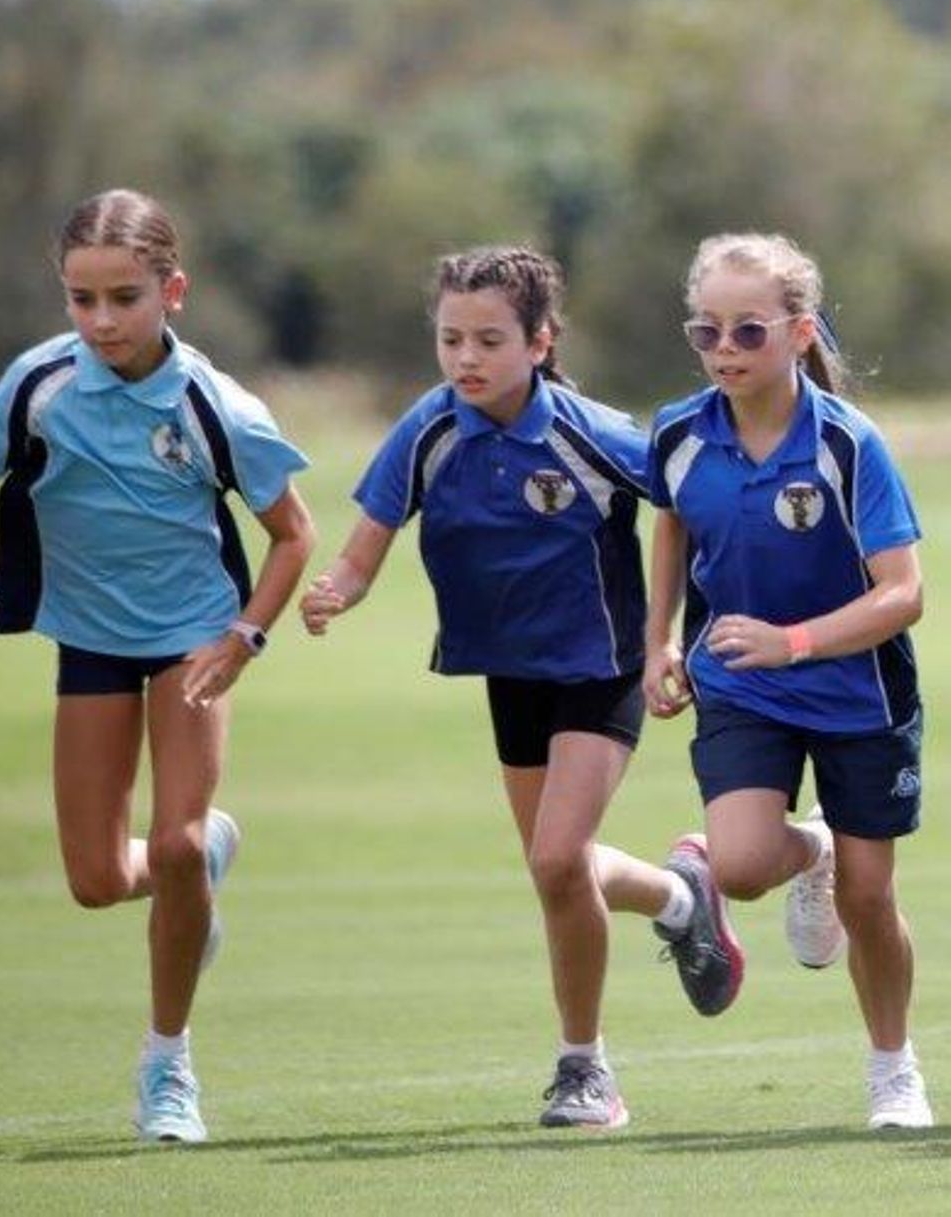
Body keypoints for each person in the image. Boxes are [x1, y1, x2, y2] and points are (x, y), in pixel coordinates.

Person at [298, 246, 768, 1131]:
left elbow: (690, 498)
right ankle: (680, 897)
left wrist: (674, 633)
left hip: (601, 668)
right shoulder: (430, 429)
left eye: (489, 340)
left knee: (557, 858)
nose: (465, 358)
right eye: (450, 339)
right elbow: (364, 549)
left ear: (540, 342)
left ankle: (586, 1070)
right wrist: (335, 591)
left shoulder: (591, 433)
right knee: (560, 872)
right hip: (509, 674)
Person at [0, 189, 315, 1144]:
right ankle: (200, 866)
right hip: (87, 635)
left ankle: (168, 1063)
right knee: (95, 878)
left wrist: (244, 637)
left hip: (191, 639)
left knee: (170, 841)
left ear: (173, 291)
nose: (101, 320)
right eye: (81, 298)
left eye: (123, 297)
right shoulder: (37, 385)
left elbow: (293, 534)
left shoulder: (216, 405)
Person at [644, 233, 932, 1130]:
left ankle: (893, 1069)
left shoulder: (849, 443)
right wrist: (658, 641)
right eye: (706, 331)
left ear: (801, 332)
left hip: (859, 694)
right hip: (740, 681)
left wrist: (794, 641)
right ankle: (812, 849)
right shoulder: (678, 433)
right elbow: (671, 527)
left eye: (748, 331)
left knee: (870, 900)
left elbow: (904, 594)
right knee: (736, 866)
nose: (724, 349)